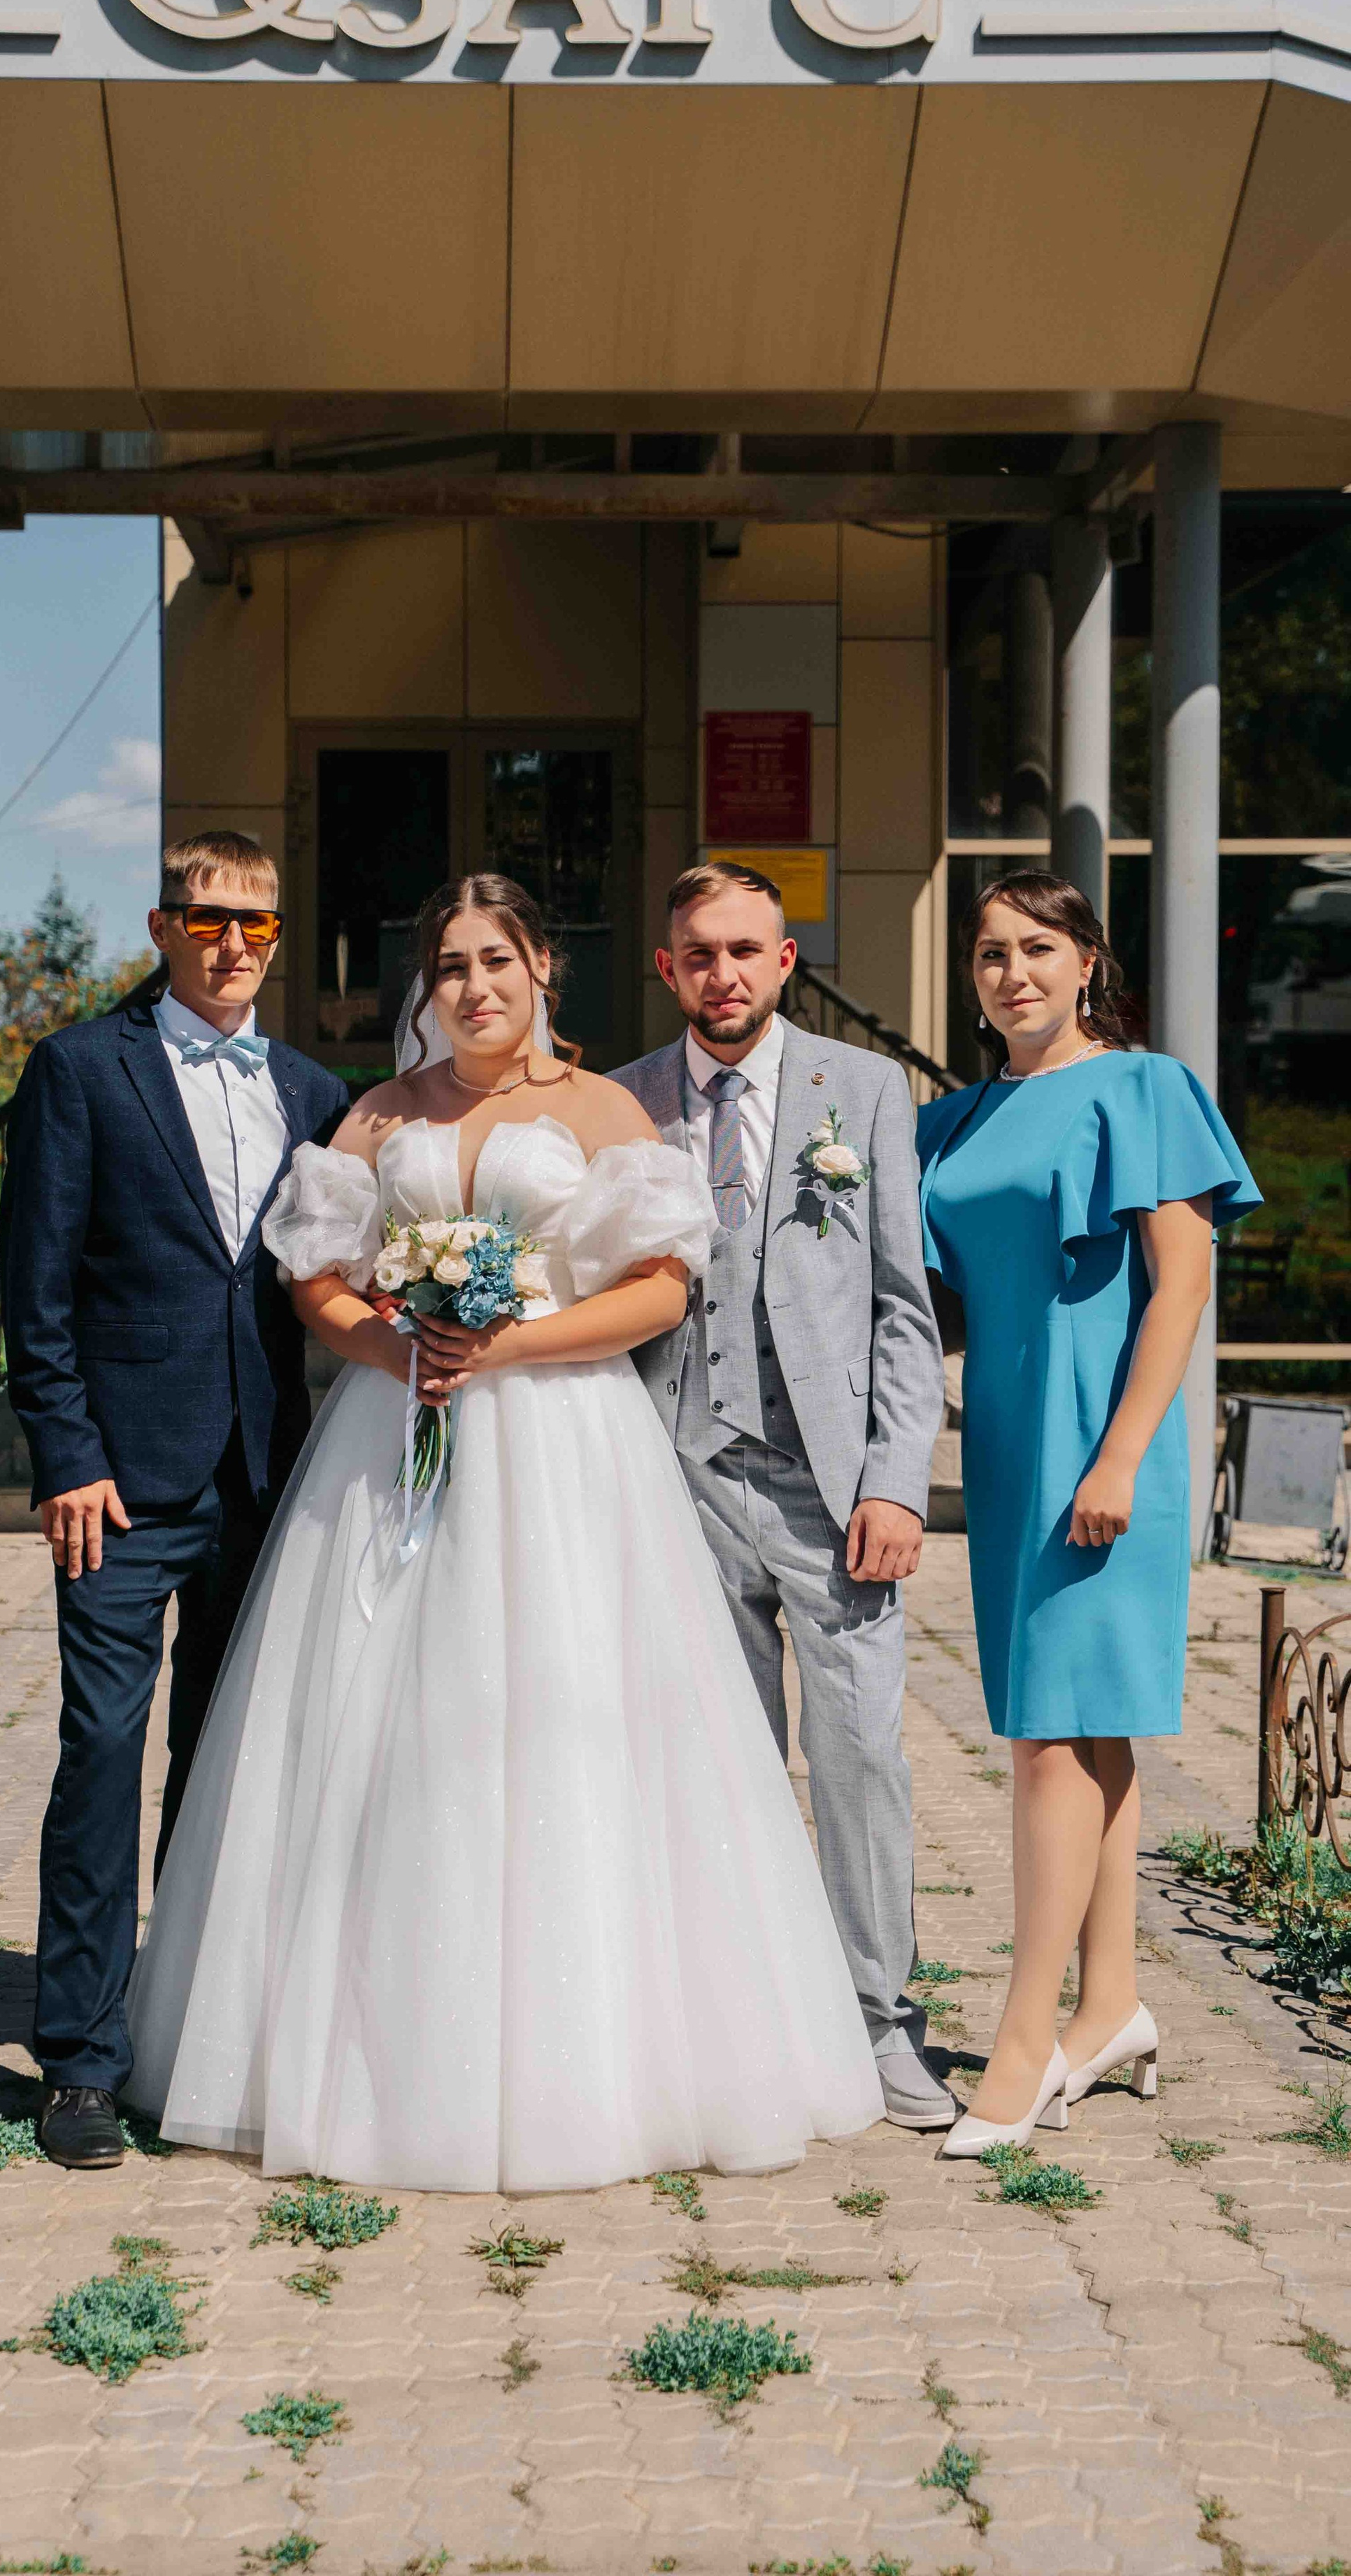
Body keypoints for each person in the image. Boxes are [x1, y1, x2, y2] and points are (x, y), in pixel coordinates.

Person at [121, 872, 882, 2194]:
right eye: (452, 966)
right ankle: (363, 2049)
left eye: (497, 961)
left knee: (559, 1717)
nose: (475, 988)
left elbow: (660, 1291)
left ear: (542, 971)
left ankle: (590, 2065)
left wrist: (510, 1346)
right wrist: (399, 1350)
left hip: (565, 1442)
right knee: (376, 1723)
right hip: (396, 1439)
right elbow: (315, 1281)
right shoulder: (378, 1113)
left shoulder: (603, 1110)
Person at [1, 832, 348, 2172]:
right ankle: (80, 2064)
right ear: (161, 927)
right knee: (102, 1751)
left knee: (224, 1765)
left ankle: (188, 2033)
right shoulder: (81, 1070)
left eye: (257, 923)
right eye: (208, 919)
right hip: (119, 1488)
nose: (234, 943)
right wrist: (65, 1455)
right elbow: (36, 1291)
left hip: (266, 1479)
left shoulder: (315, 1091)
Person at [917, 870, 1259, 2158]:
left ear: (1087, 962)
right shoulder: (954, 1120)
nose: (1013, 972)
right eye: (990, 952)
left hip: (1103, 1445)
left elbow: (1182, 1288)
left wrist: (1119, 1459)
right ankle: (1111, 2007)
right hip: (1007, 1442)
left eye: (1038, 948)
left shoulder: (1146, 1088)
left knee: (1047, 1739)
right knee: (1086, 1725)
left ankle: (1023, 2045)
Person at [614, 862, 950, 2130]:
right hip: (681, 1471)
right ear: (669, 968)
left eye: (746, 951)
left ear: (786, 959)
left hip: (832, 1487)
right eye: (700, 954)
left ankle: (880, 2020)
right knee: (722, 1758)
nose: (725, 975)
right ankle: (741, 2018)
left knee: (858, 1752)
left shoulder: (863, 1090)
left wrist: (897, 1483)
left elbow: (905, 1310)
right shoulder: (623, 1102)